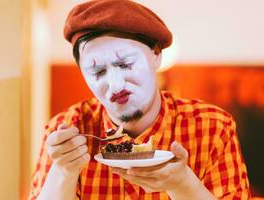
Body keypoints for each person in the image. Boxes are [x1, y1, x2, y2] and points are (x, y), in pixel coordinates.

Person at [28, 0, 250, 199]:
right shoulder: (66, 130)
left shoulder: (212, 126)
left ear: (156, 55)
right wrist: (64, 172)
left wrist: (183, 184)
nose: (115, 85)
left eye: (125, 64)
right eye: (97, 72)